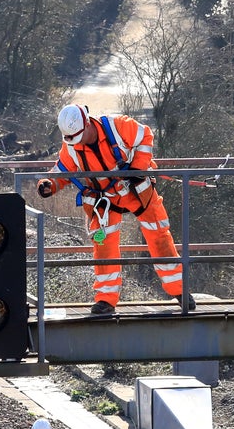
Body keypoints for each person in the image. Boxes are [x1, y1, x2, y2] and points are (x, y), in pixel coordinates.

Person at [37, 103, 192, 316]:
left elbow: (145, 136)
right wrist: (49, 184)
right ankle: (105, 300)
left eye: (78, 136)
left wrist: (138, 167)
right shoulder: (72, 144)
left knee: (159, 236)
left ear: (88, 124)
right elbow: (62, 169)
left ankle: (180, 291)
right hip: (104, 200)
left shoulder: (118, 126)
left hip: (137, 191)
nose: (76, 142)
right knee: (103, 244)